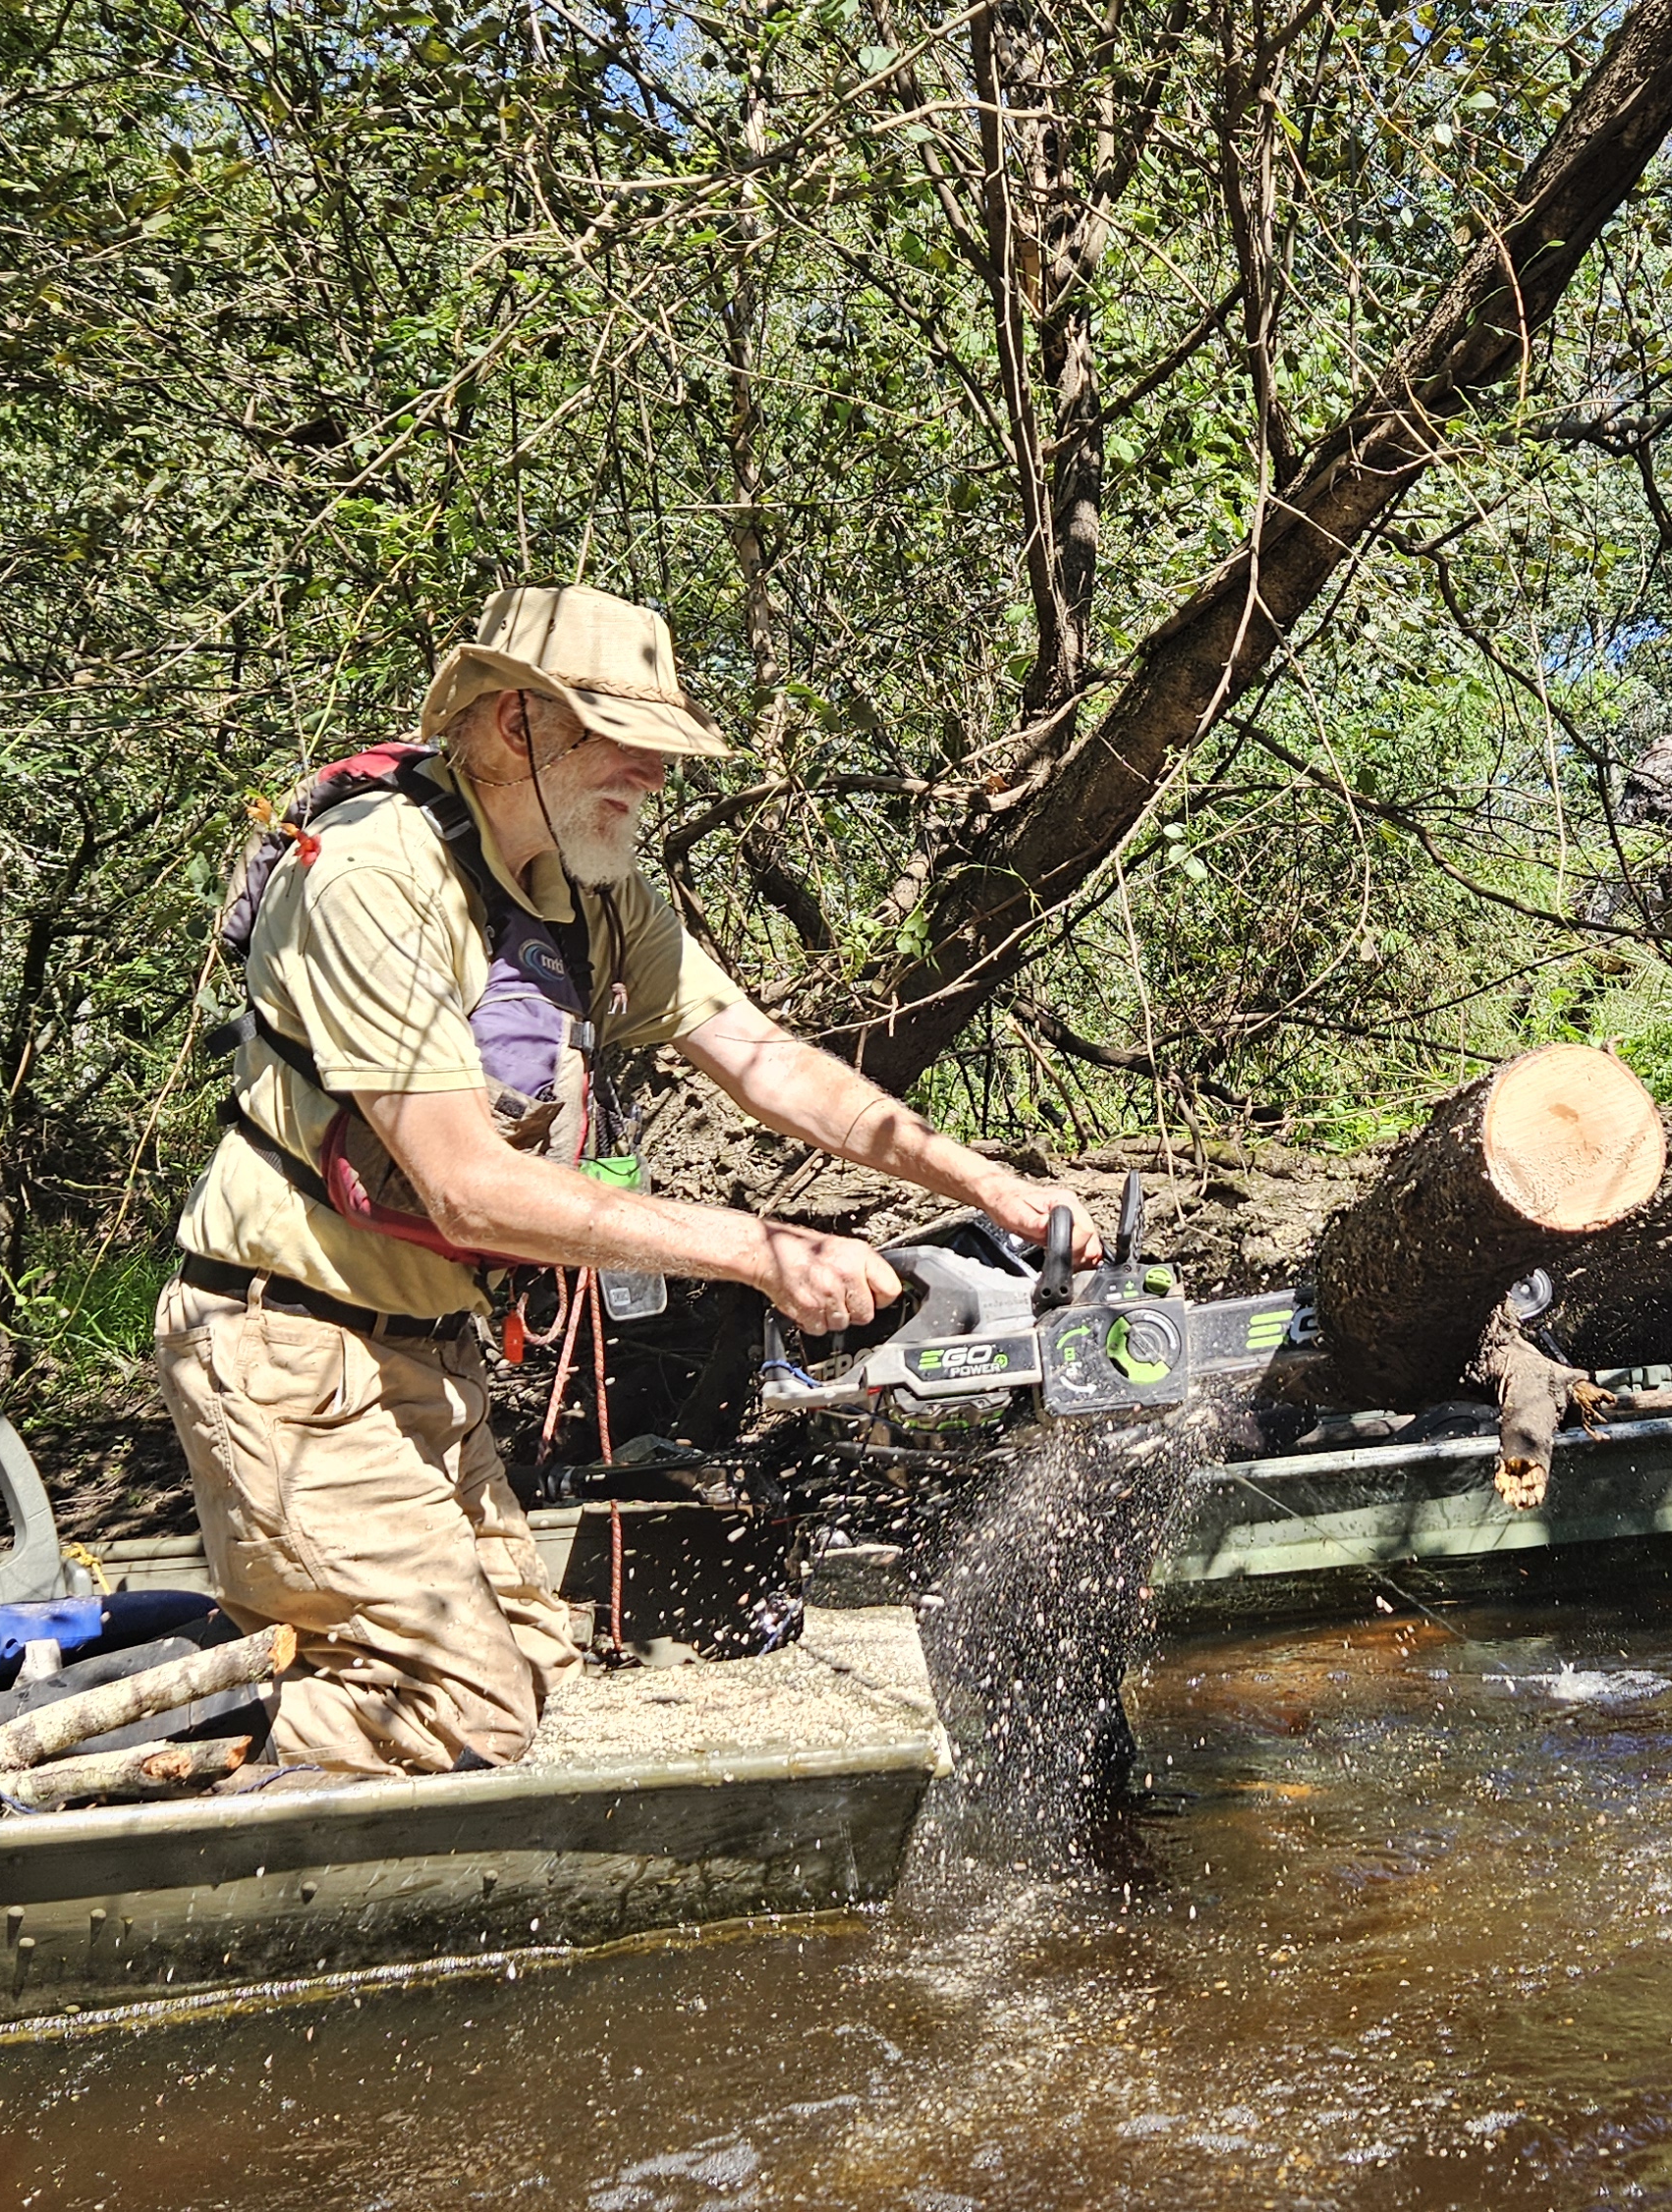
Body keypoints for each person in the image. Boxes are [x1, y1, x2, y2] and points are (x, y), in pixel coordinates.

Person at [154, 583, 1096, 1777]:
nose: (654, 776)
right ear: (514, 726)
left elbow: (765, 1062)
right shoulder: (373, 877)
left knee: (532, 1670)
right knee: (463, 1710)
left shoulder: (590, 892)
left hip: (422, 1354)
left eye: (664, 750)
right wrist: (760, 1249)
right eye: (626, 741)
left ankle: (238, 1714)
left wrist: (986, 1183)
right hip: (283, 1346)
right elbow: (465, 1189)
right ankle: (78, 1748)